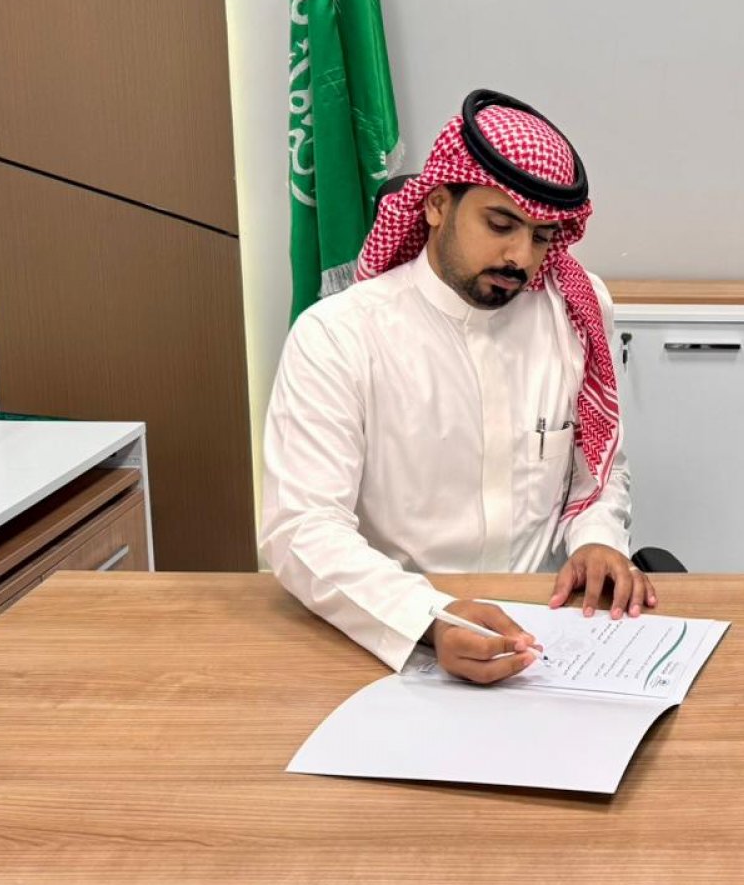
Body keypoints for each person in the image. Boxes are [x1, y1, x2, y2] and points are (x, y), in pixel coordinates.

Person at [261, 90, 653, 684]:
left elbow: (598, 468)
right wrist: (429, 617)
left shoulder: (574, 311)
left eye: (542, 236)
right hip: (396, 633)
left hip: (554, 635)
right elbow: (302, 528)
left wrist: (597, 540)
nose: (520, 256)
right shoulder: (340, 336)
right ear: (437, 205)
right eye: (500, 224)